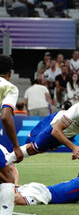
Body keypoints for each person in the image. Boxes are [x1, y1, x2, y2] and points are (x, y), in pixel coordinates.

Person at [6, 91, 79, 165]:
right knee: (34, 148)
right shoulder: (78, 109)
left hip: (67, 134)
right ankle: (6, 163)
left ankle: (6, 161)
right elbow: (56, 131)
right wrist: (74, 147)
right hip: (55, 125)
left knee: (38, 149)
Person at [0, 54, 24, 215]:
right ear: (10, 73)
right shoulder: (9, 87)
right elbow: (5, 116)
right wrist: (16, 146)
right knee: (8, 179)